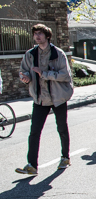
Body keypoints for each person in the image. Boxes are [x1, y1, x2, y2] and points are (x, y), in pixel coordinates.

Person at [15, 24, 74, 175]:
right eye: (35, 34)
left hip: (58, 97)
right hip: (40, 99)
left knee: (61, 128)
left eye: (40, 33)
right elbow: (24, 70)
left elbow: (65, 75)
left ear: (47, 36)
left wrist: (44, 73)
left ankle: (65, 157)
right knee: (34, 132)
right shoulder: (30, 54)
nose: (37, 36)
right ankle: (32, 165)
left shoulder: (57, 53)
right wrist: (25, 77)